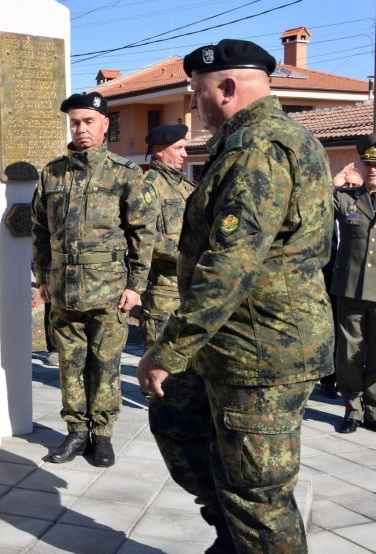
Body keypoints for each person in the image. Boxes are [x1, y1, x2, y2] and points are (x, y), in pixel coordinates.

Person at [136, 39, 333, 554]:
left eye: (197, 93)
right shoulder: (264, 141)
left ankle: (248, 537)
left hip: (260, 350)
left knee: (257, 494)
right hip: (230, 343)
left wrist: (168, 350)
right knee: (178, 422)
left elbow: (230, 264)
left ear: (225, 88)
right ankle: (233, 537)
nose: (194, 105)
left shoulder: (258, 149)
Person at [31, 92, 153, 467]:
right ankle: (75, 433)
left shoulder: (125, 174)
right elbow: (39, 229)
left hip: (109, 289)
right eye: (74, 123)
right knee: (70, 363)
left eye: (88, 122)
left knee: (105, 363)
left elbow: (143, 233)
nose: (80, 129)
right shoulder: (52, 173)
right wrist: (43, 277)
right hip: (64, 288)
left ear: (104, 126)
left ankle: (101, 435)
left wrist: (136, 286)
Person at [330, 135, 376, 433]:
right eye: (368, 163)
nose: (372, 169)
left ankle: (372, 409)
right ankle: (353, 409)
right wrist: (334, 183)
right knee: (348, 353)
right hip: (350, 287)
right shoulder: (346, 198)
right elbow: (311, 204)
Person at [139, 124, 194, 350]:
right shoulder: (149, 186)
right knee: (159, 368)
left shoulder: (186, 188)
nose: (185, 154)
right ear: (160, 150)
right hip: (163, 291)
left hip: (189, 287)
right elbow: (145, 234)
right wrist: (185, 256)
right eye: (179, 148)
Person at [319, 166, 361, 399]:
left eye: (355, 186)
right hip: (327, 277)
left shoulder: (360, 210)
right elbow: (313, 201)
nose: (351, 190)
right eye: (347, 186)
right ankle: (328, 378)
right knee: (330, 330)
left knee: (351, 334)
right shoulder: (330, 210)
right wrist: (333, 185)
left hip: (353, 280)